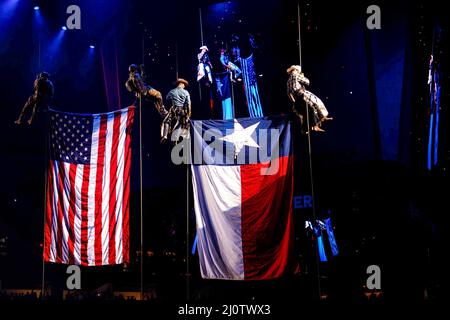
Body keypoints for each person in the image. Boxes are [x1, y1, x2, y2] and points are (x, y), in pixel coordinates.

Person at [287, 65, 332, 133]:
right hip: (302, 94)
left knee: (307, 112)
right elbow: (307, 82)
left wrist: (294, 101)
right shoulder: (295, 75)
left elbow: (289, 94)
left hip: (297, 99)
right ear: (295, 70)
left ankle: (308, 128)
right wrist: (302, 76)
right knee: (316, 103)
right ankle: (322, 117)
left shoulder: (288, 81)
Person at [161, 78, 191, 144]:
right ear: (181, 84)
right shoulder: (186, 92)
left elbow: (167, 98)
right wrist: (188, 114)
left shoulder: (172, 91)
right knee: (181, 123)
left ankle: (165, 135)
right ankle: (176, 138)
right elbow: (189, 104)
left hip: (174, 109)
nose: (184, 86)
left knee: (167, 120)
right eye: (184, 85)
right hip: (182, 110)